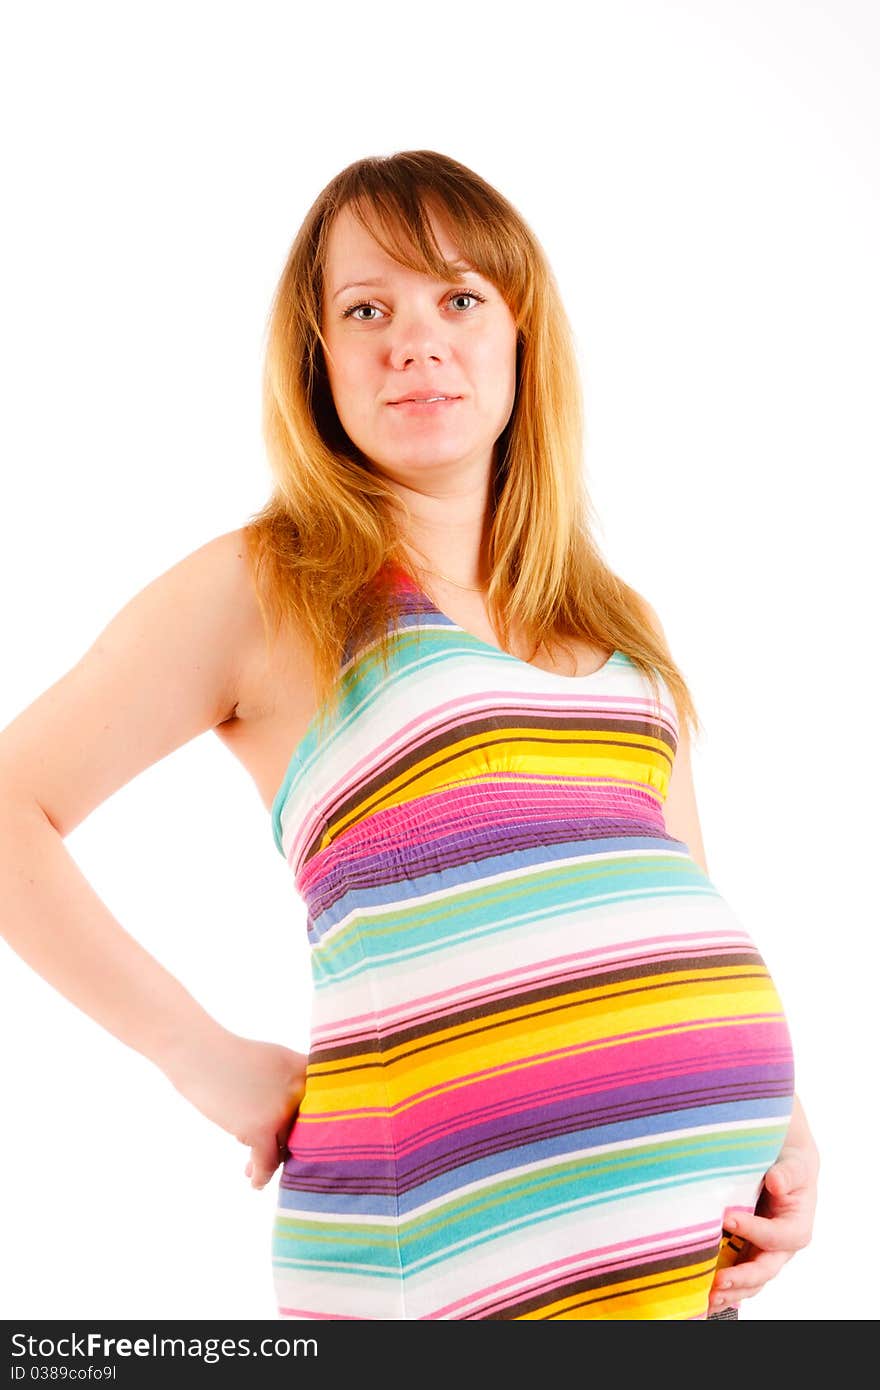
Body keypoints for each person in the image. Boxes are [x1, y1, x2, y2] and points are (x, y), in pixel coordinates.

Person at [0, 149, 817, 1320]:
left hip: (684, 1272)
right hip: (440, 1256)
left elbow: (677, 887)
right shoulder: (273, 586)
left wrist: (784, 1131)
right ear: (317, 357)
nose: (416, 340)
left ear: (520, 338)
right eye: (366, 308)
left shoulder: (613, 622)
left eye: (460, 300)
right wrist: (198, 1053)